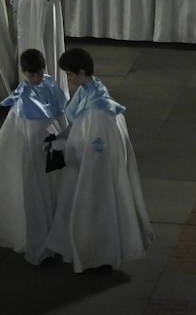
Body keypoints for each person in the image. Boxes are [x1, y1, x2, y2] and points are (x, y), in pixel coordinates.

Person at [46, 47, 153, 273]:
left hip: (94, 173)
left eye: (70, 75)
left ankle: (98, 256)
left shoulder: (97, 110)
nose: (69, 79)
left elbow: (92, 143)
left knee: (94, 214)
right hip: (90, 168)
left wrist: (65, 148)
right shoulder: (93, 91)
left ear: (82, 72)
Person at [0, 48, 68, 265]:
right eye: (33, 75)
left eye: (40, 73)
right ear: (24, 73)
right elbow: (20, 132)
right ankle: (40, 248)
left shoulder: (49, 84)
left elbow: (60, 114)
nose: (37, 78)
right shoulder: (23, 97)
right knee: (36, 200)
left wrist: (66, 138)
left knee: (54, 195)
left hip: (52, 147)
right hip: (34, 154)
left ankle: (57, 240)